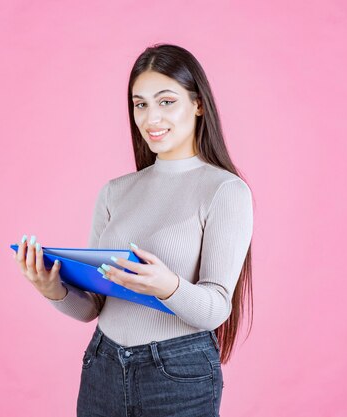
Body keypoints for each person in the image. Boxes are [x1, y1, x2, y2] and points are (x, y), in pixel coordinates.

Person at [14, 43, 254, 417]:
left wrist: (167, 286)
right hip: (103, 364)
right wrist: (53, 289)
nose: (151, 117)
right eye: (140, 104)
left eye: (166, 101)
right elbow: (92, 307)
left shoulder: (224, 191)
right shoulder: (115, 191)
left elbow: (216, 308)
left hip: (177, 375)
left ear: (198, 104)